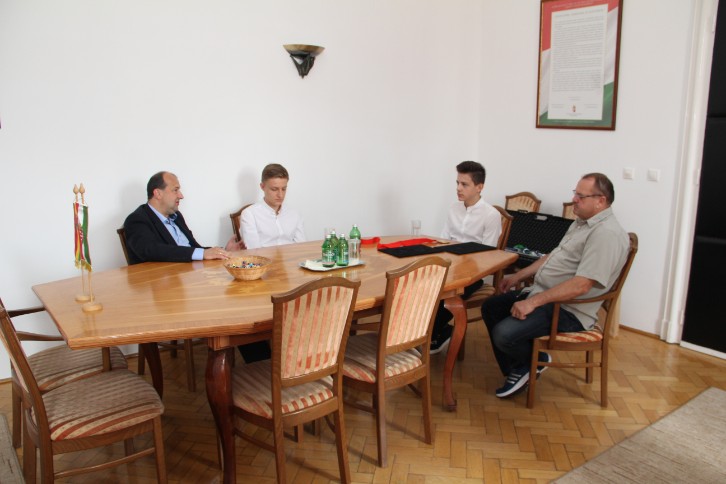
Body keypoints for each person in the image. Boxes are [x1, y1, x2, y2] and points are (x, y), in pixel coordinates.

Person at [481, 173, 629, 398]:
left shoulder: (606, 234)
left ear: (601, 201)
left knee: (504, 334)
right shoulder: (582, 222)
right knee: (491, 307)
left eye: (581, 196)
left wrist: (532, 302)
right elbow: (553, 256)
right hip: (544, 294)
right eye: (575, 193)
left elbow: (582, 285)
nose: (574, 200)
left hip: (569, 309)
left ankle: (533, 362)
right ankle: (523, 368)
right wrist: (519, 275)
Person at [430, 161, 502, 354]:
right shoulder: (454, 208)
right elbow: (442, 241)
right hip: (449, 267)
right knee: (422, 287)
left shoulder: (491, 215)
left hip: (473, 274)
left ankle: (433, 335)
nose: (458, 188)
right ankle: (434, 333)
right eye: (457, 183)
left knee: (445, 294)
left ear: (479, 187)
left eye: (464, 184)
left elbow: (487, 255)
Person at [124, 171, 240, 265]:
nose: (181, 196)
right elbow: (152, 251)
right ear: (158, 193)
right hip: (164, 282)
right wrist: (203, 253)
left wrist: (223, 252)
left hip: (189, 274)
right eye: (175, 190)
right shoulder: (136, 220)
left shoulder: (177, 216)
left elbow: (193, 249)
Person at [241, 163, 306, 249]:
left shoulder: (295, 214)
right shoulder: (249, 215)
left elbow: (301, 247)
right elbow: (253, 251)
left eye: (284, 189)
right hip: (263, 258)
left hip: (293, 257)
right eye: (274, 189)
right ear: (262, 187)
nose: (280, 195)